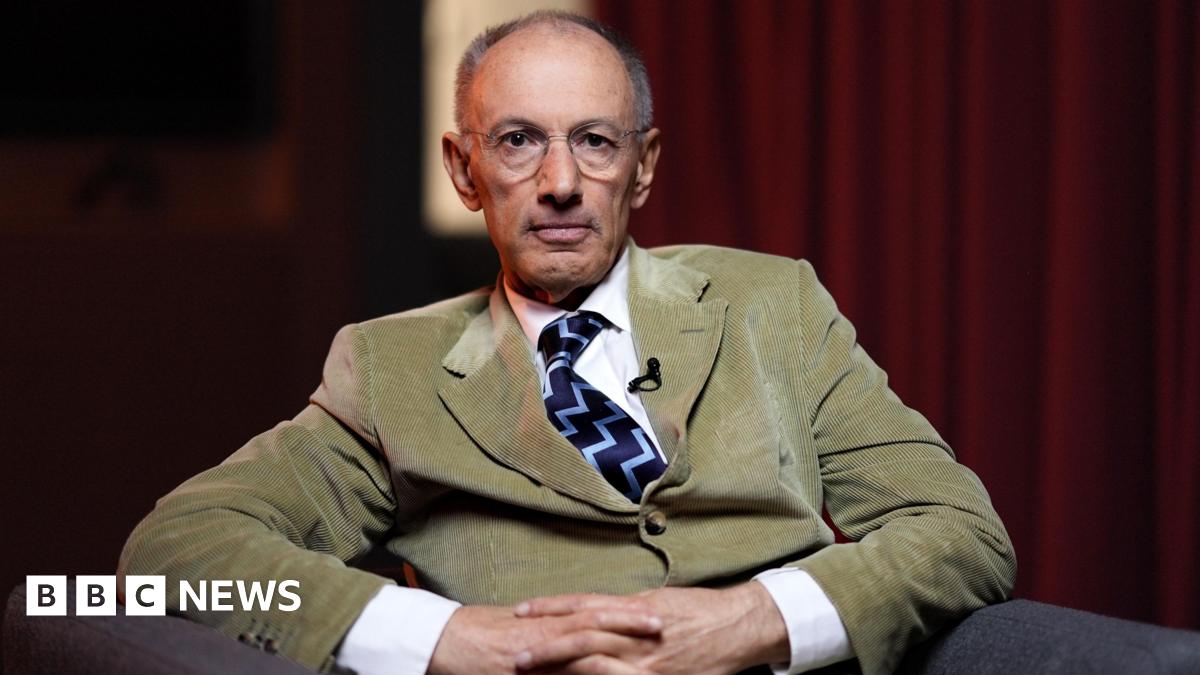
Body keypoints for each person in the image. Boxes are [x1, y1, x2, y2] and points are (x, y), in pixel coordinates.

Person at [120, 11, 1015, 675]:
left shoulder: (772, 302)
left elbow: (962, 530)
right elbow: (176, 554)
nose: (559, 183)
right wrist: (447, 639)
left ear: (645, 166)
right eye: (518, 142)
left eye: (594, 141)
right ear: (465, 170)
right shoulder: (391, 369)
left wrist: (754, 619)